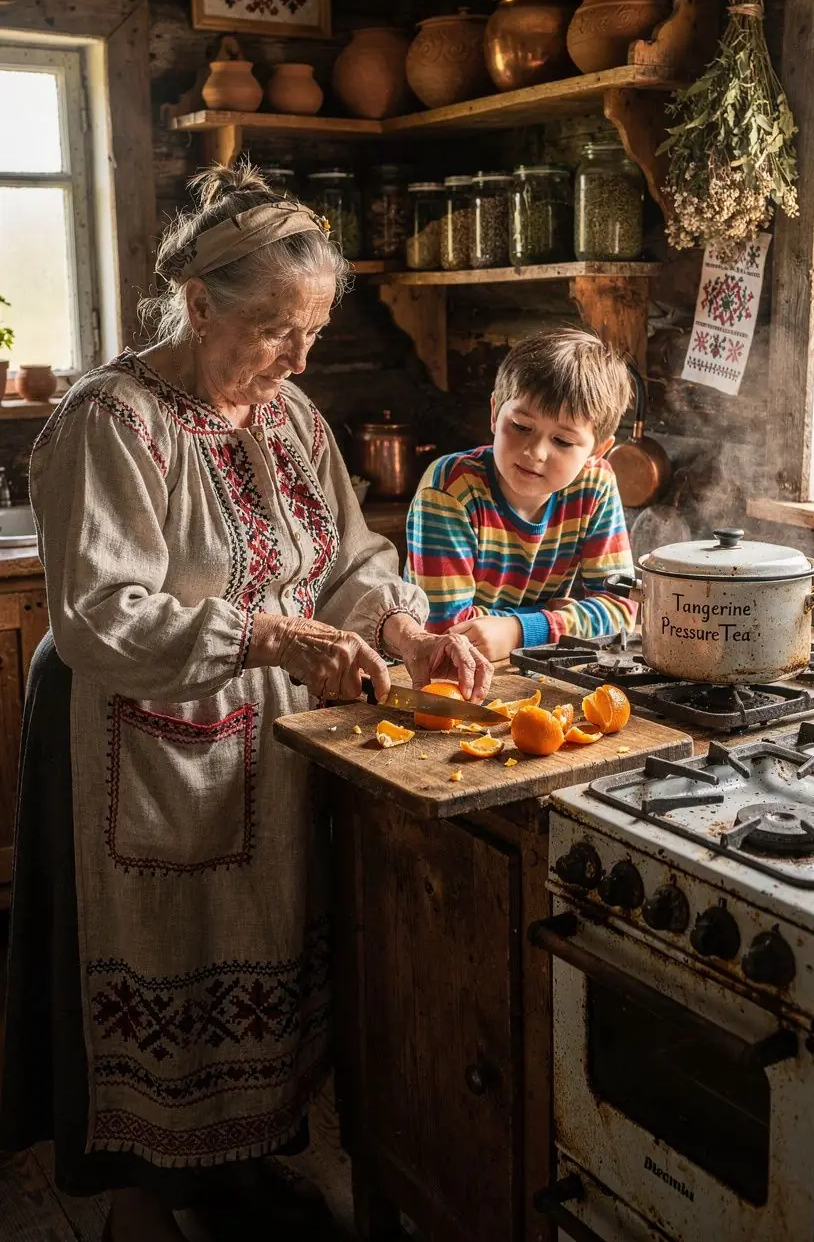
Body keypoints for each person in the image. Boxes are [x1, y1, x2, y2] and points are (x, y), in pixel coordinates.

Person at [0, 163, 491, 1242]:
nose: (299, 357)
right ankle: (137, 1200)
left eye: (312, 329)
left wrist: (404, 628)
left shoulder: (292, 415)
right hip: (138, 742)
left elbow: (347, 560)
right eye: (275, 327)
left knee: (259, 957)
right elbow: (98, 615)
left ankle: (232, 1174)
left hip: (265, 743)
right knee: (153, 969)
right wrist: (266, 635)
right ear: (199, 302)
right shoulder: (113, 420)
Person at [405, 328, 637, 661]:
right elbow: (447, 632)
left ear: (596, 452)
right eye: (521, 427)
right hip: (438, 675)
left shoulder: (596, 485)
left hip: (524, 667)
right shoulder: (450, 491)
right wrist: (555, 617)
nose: (535, 452)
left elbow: (621, 611)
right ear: (494, 412)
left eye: (563, 441)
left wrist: (519, 630)